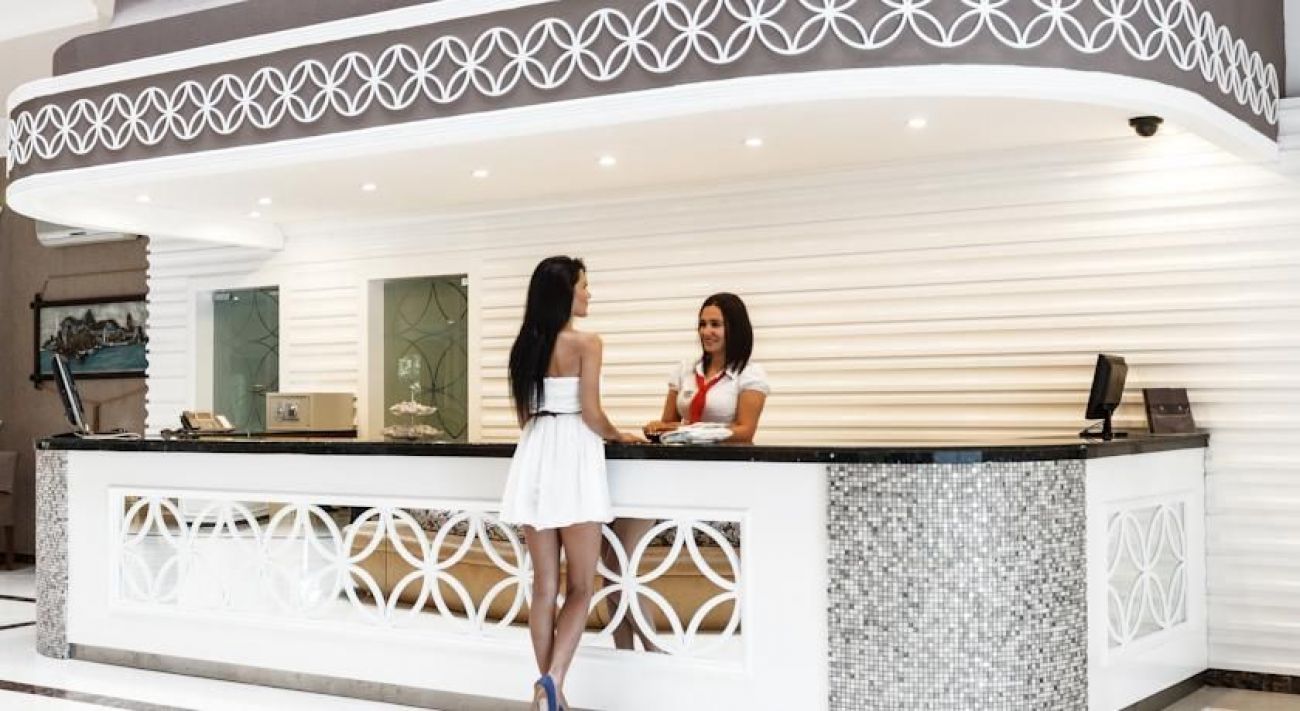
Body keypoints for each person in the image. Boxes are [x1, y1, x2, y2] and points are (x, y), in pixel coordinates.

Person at [499, 256, 642, 711]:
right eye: (584, 286)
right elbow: (592, 414)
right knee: (581, 584)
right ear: (565, 293)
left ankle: (548, 692)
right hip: (575, 458)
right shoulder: (587, 343)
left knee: (544, 587)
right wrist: (620, 435)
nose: (588, 294)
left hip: (536, 454)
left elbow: (525, 416)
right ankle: (554, 680)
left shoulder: (524, 347)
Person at [603, 292, 770, 651]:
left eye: (716, 324)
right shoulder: (684, 370)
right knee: (612, 560)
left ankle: (653, 651)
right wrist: (659, 428)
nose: (707, 331)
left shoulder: (749, 374)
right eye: (703, 324)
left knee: (620, 563)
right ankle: (626, 653)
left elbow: (745, 432)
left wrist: (693, 431)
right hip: (671, 474)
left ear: (734, 328)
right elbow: (668, 424)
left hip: (716, 478)